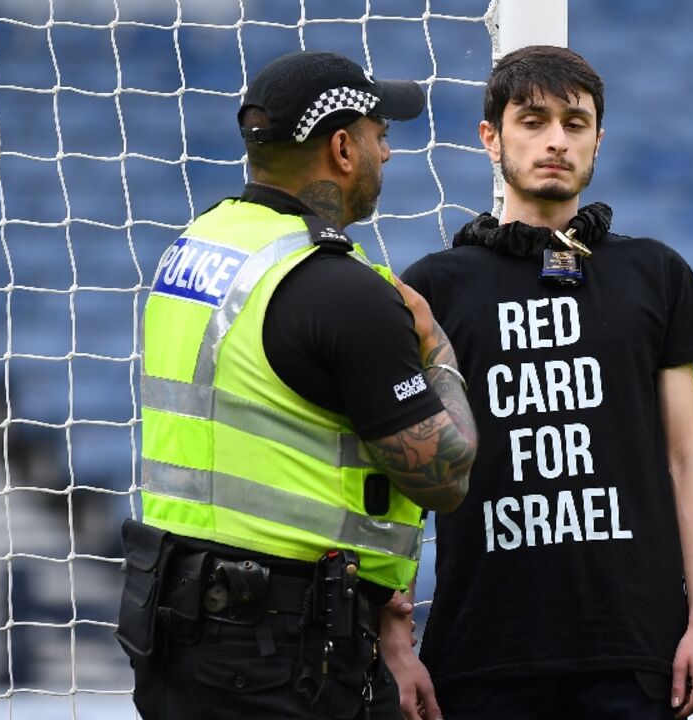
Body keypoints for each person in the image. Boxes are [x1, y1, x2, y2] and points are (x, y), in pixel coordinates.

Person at [116, 50, 478, 720]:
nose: (388, 153)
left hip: (177, 634)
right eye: (380, 133)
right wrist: (436, 348)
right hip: (286, 658)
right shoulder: (345, 291)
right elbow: (445, 476)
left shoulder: (196, 246)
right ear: (343, 148)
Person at [399, 45, 693, 719]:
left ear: (599, 139)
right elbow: (404, 471)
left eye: (575, 123)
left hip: (635, 649)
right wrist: (396, 635)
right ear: (490, 136)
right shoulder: (433, 286)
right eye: (532, 119)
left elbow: (686, 454)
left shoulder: (655, 272)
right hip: (481, 648)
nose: (555, 139)